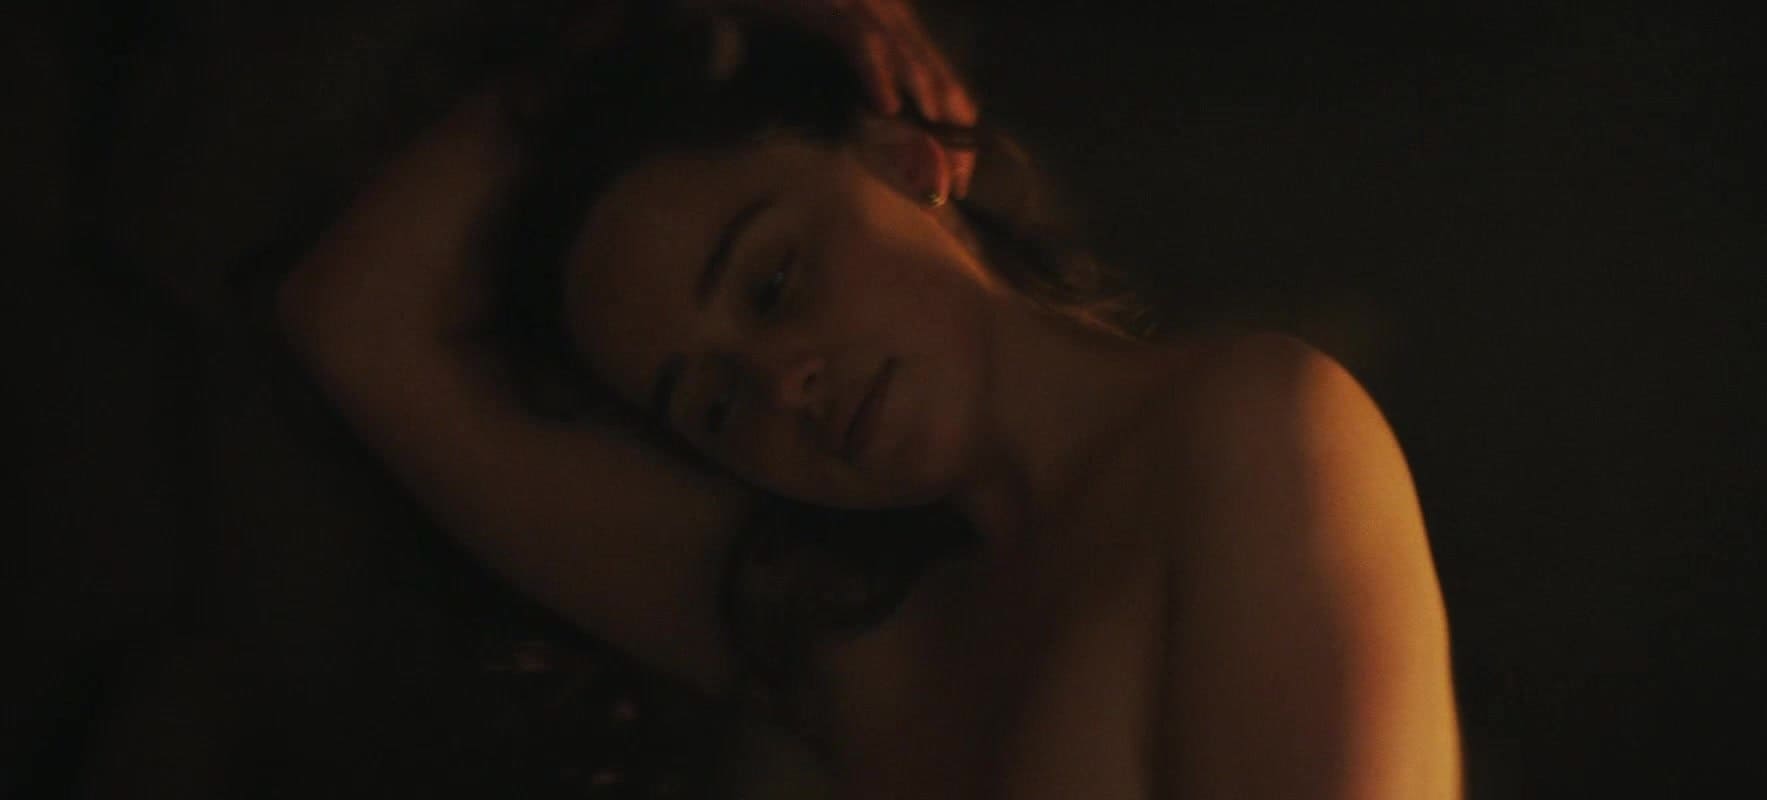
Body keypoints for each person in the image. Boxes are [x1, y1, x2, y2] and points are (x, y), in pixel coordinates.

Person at [276, 1, 1464, 797]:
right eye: (714, 407)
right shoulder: (852, 643)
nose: (779, 383)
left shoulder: (1245, 430)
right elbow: (350, 317)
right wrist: (635, 25)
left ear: (905, 160)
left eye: (774, 281)